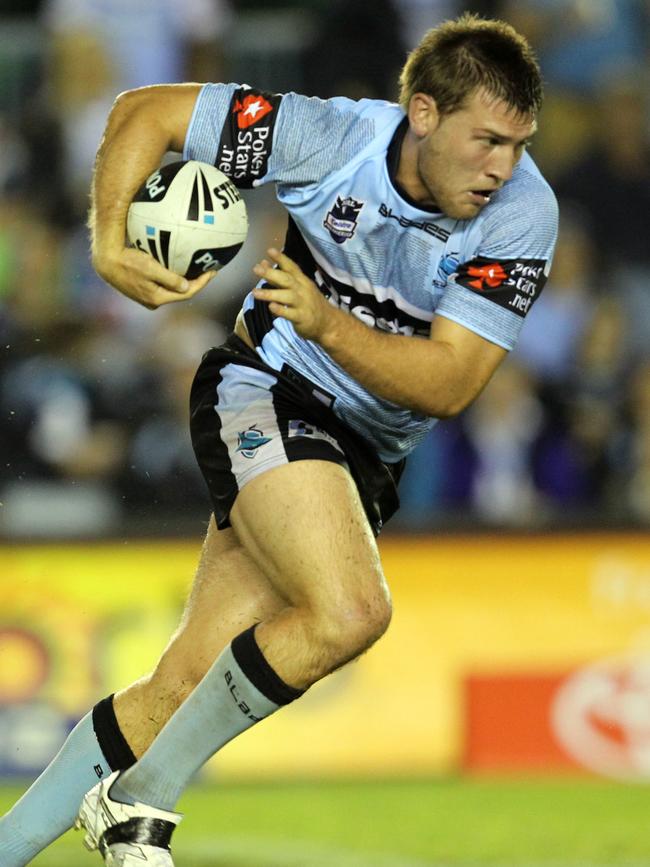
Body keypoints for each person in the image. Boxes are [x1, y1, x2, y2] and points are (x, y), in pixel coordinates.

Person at [0, 13, 558, 866]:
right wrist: (109, 244)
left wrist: (329, 321)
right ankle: (140, 799)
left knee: (182, 684)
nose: (503, 168)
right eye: (487, 141)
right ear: (422, 113)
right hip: (265, 389)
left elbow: (449, 385)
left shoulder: (523, 214)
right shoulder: (326, 138)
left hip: (362, 448)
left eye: (518, 145)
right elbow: (147, 110)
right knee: (350, 610)